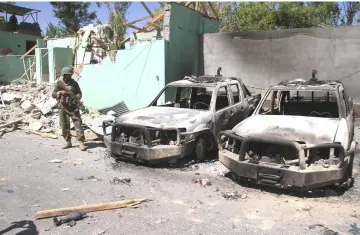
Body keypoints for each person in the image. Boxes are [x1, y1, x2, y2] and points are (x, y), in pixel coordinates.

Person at [52, 66, 86, 151]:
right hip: (62, 107)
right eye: (67, 75)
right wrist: (59, 92)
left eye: (70, 75)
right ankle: (68, 142)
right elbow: (53, 94)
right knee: (64, 125)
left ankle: (81, 142)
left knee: (78, 124)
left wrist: (76, 99)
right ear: (64, 75)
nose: (69, 76)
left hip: (73, 107)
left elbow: (79, 93)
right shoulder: (59, 83)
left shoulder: (74, 83)